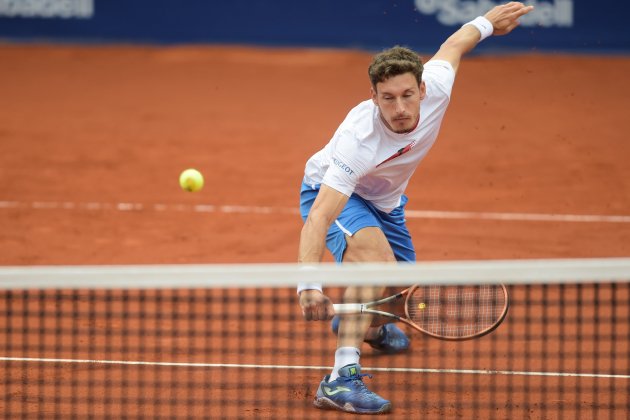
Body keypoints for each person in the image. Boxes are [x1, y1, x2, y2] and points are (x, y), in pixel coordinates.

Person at [297, 2, 534, 414]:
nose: (401, 108)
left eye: (408, 95)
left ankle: (368, 325)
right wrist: (308, 286)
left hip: (387, 202)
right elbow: (320, 215)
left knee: (395, 297)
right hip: (335, 194)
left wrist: (487, 24)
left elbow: (454, 44)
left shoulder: (437, 84)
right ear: (373, 97)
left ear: (423, 89)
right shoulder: (359, 140)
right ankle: (339, 379)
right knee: (375, 265)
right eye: (387, 98)